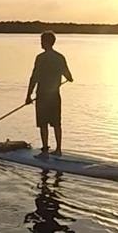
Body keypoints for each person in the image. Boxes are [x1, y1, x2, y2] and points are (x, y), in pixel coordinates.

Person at [25, 30, 73, 159]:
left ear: (46, 42)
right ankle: (58, 149)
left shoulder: (40, 58)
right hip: (55, 95)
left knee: (43, 123)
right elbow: (69, 76)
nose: (40, 43)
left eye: (42, 41)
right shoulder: (60, 57)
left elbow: (34, 77)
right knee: (57, 123)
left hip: (42, 95)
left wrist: (28, 95)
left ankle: (45, 151)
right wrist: (68, 78)